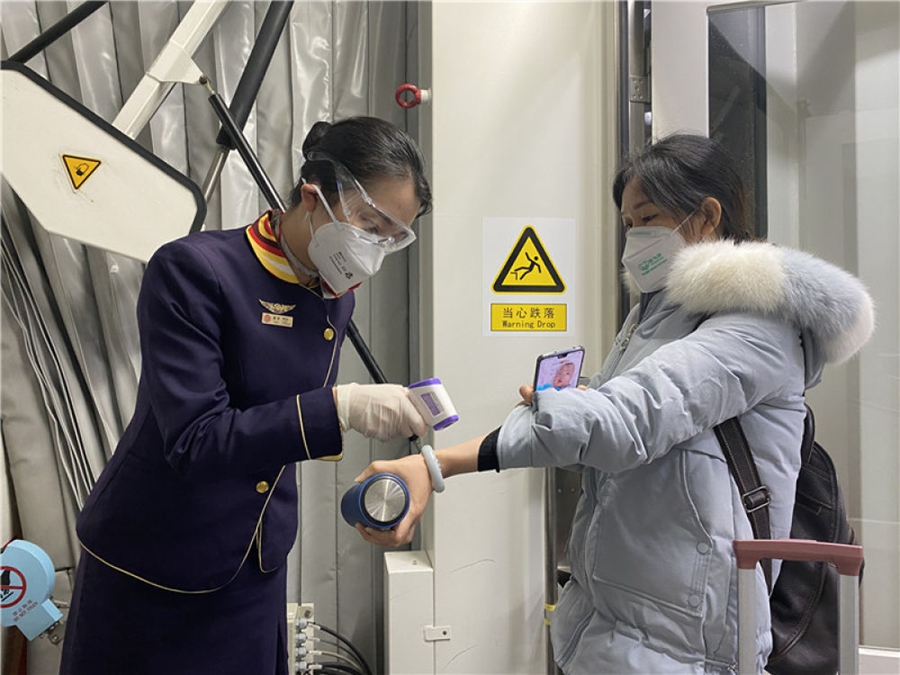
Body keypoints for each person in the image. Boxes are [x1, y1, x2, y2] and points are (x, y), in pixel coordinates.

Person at [354, 134, 875, 673]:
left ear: (706, 216)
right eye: (627, 224)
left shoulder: (758, 327)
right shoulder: (655, 318)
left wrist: (463, 452)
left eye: (647, 218)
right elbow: (601, 425)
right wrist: (450, 457)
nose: (634, 238)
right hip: (609, 625)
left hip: (684, 646)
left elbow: (625, 422)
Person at [59, 117, 432, 675]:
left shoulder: (335, 296)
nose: (374, 249)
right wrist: (341, 408)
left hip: (255, 560)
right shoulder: (194, 271)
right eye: (369, 224)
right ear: (314, 195)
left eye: (391, 237)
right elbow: (195, 440)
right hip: (156, 557)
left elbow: (281, 428)